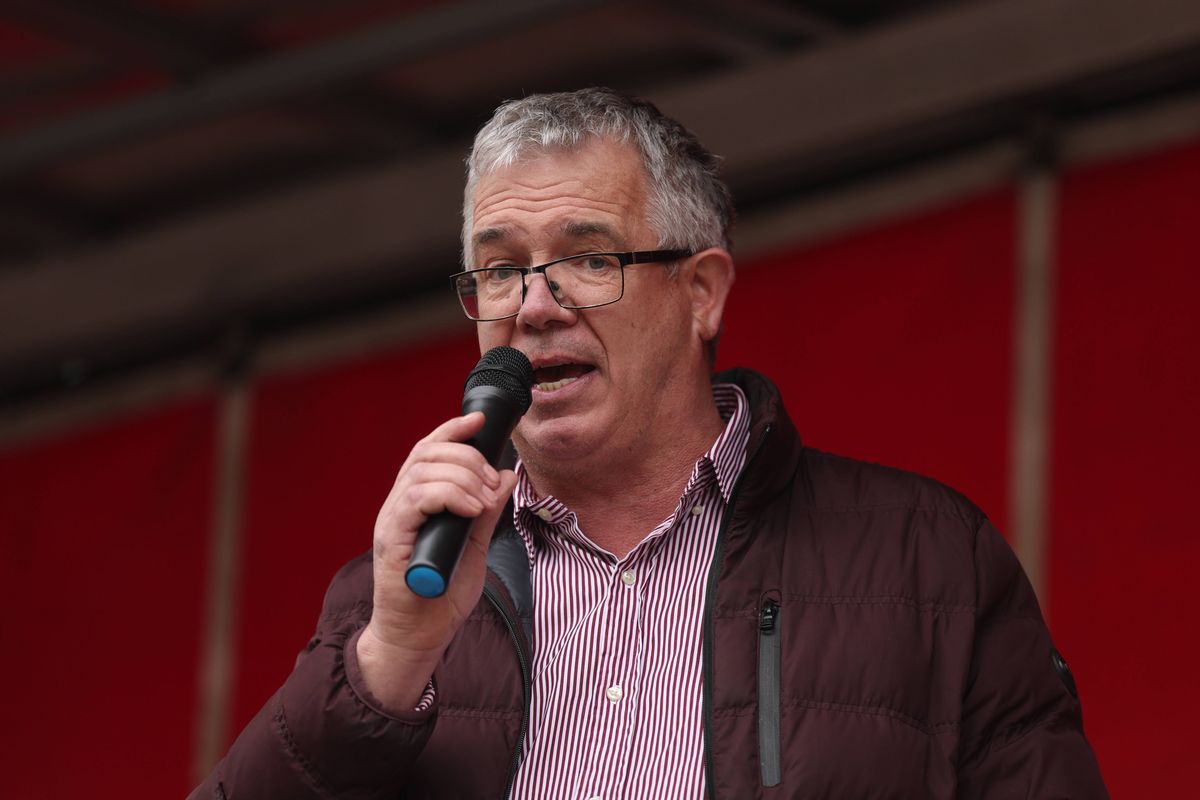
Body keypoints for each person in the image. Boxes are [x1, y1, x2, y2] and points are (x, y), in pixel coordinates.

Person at [192, 88, 1106, 798]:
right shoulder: (392, 596)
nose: (535, 305)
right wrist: (387, 661)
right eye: (501, 268)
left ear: (702, 292)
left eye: (590, 258)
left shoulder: (926, 557)